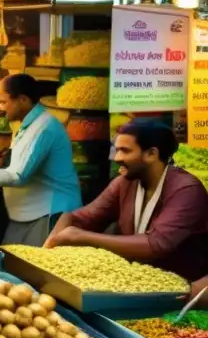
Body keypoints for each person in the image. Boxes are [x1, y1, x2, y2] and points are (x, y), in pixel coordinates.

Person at [44, 120, 208, 281]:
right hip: (137, 283)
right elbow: (80, 219)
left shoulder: (186, 190)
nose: (117, 158)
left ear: (152, 154)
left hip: (182, 293)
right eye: (116, 150)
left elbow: (156, 245)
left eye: (125, 151)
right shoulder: (124, 183)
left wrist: (81, 237)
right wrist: (48, 249)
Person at [0, 74, 81, 246]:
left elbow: (18, 175)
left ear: (23, 100)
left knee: (33, 270)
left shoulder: (44, 128)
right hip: (25, 214)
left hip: (49, 213)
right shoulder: (27, 126)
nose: (0, 108)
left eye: (3, 102)